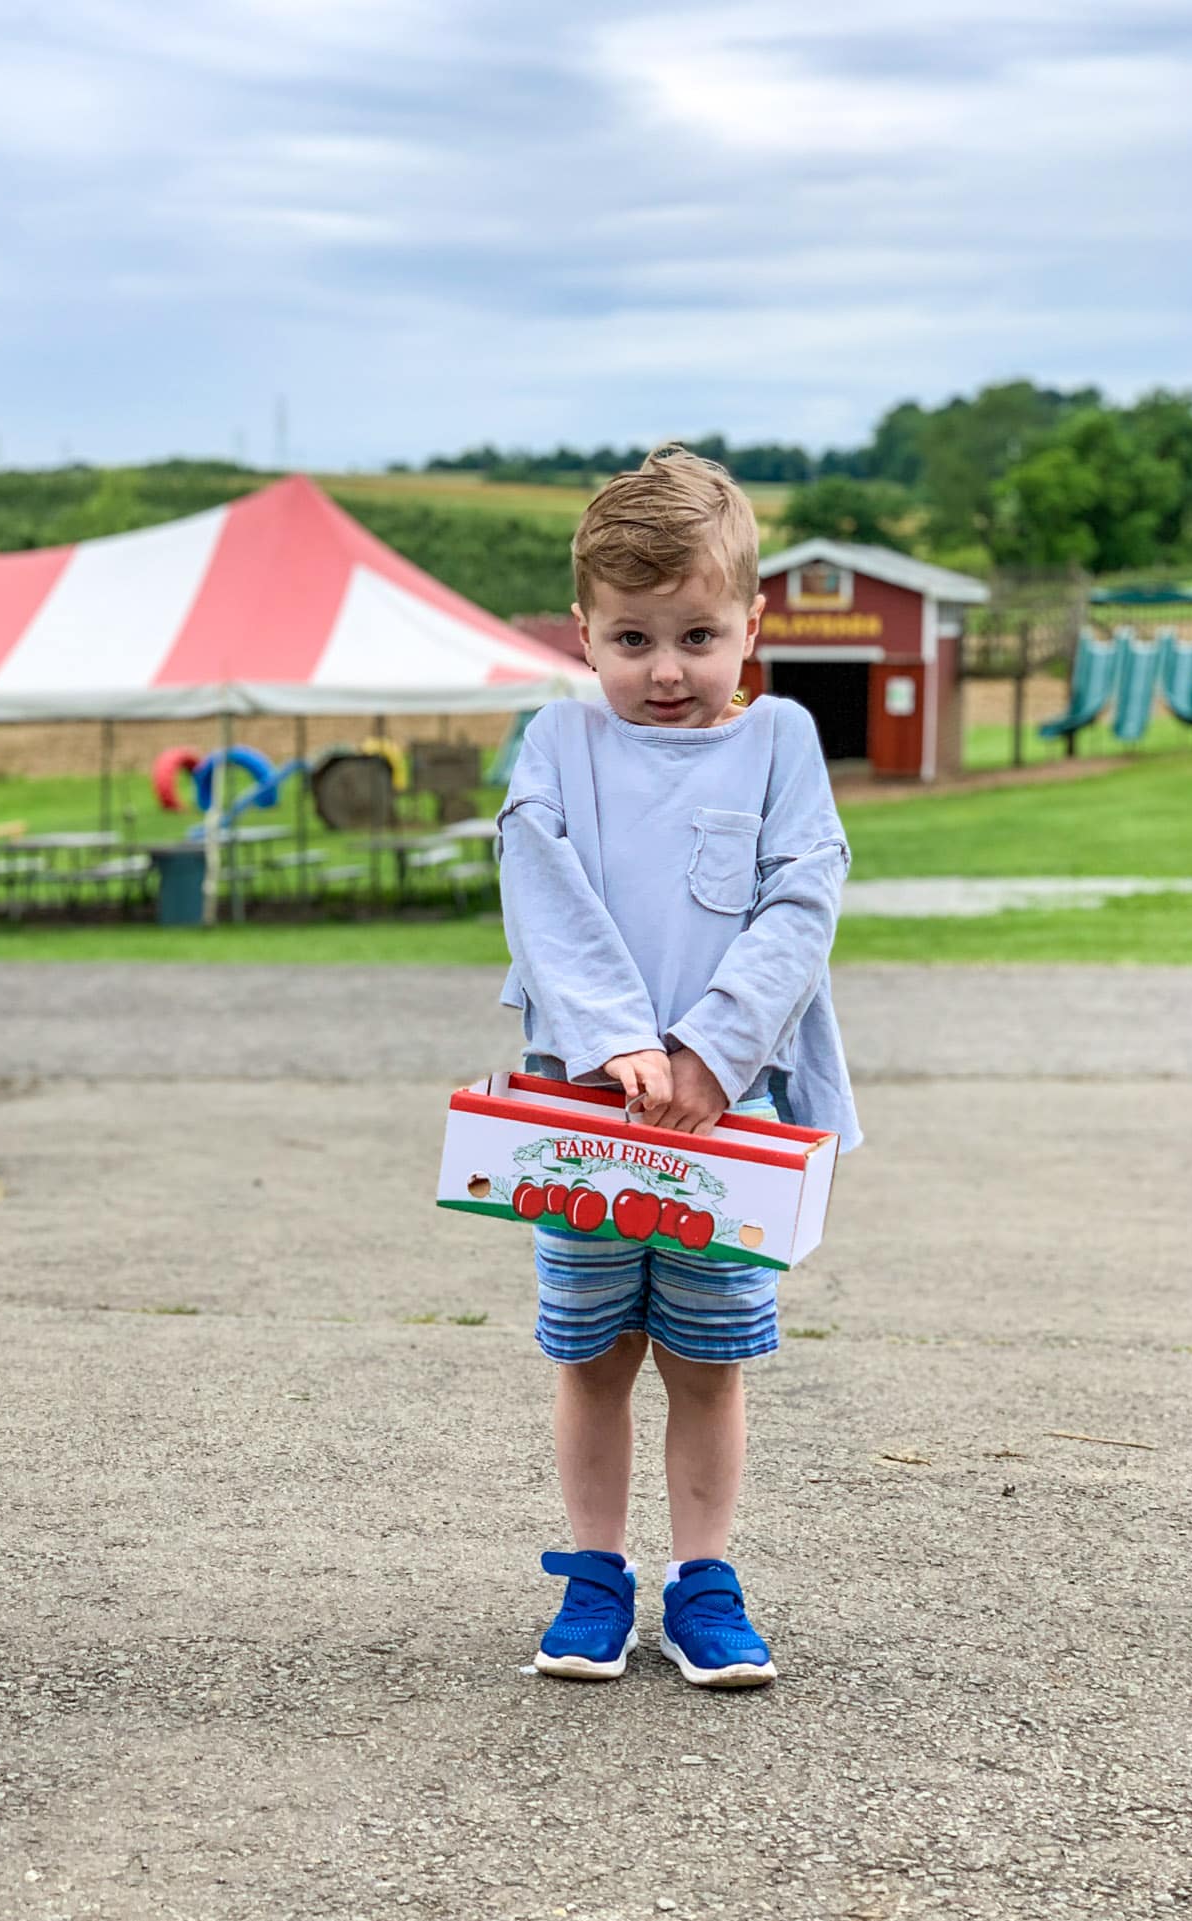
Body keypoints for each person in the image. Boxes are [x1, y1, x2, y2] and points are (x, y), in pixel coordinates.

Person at [497, 445, 862, 1690]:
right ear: (583, 635)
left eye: (697, 635)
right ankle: (594, 1578)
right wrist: (620, 1042)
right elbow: (539, 891)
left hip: (729, 1111)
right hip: (581, 1104)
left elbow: (803, 895)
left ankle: (704, 1581)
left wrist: (710, 1048)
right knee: (592, 1350)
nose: (665, 670)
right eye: (632, 638)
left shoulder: (781, 744)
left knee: (707, 1355)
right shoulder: (555, 743)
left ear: (752, 624)